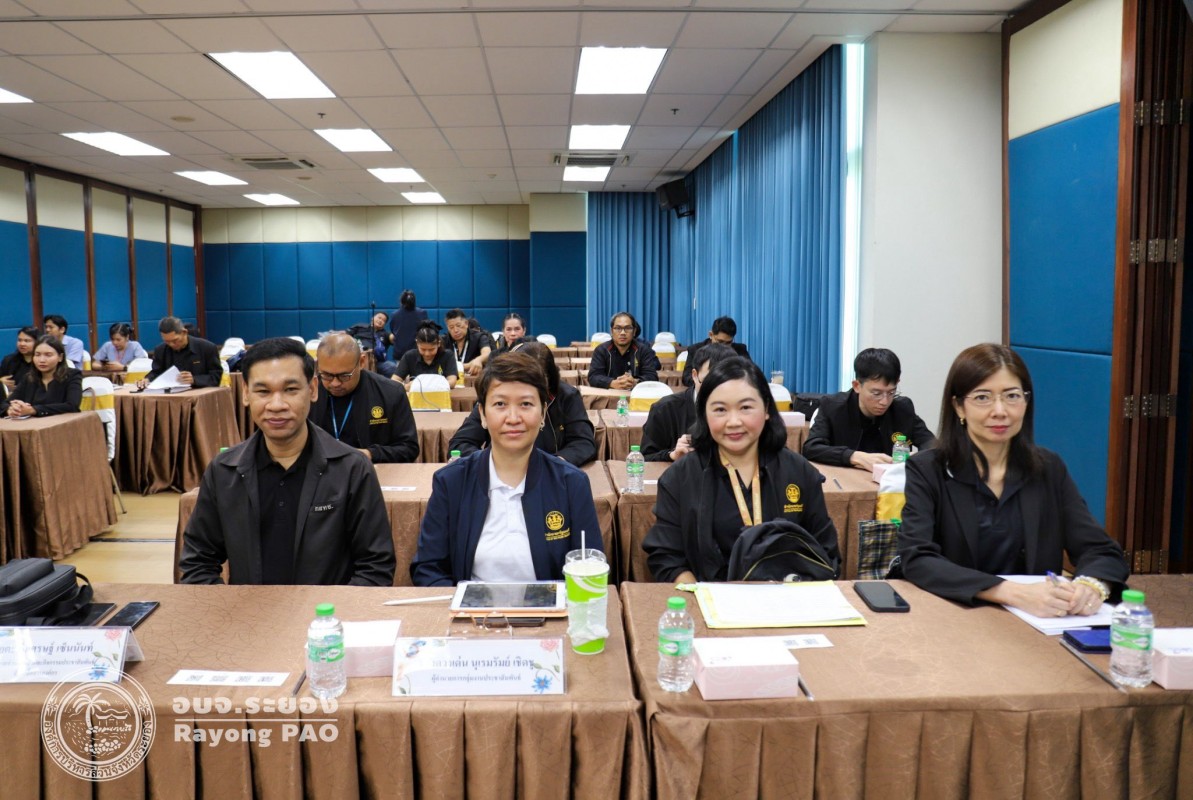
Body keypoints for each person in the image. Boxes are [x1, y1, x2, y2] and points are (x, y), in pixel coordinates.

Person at [898, 344, 1128, 617]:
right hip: (957, 617)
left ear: (1026, 402)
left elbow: (1101, 551)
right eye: (982, 397)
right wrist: (1013, 593)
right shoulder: (928, 469)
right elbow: (917, 558)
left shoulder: (1048, 468)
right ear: (958, 406)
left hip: (1037, 622)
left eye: (1012, 396)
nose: (1000, 410)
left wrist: (1091, 585)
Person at [178, 337, 395, 586]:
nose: (277, 405)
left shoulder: (352, 469)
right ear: (245, 393)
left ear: (312, 390)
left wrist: (328, 611)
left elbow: (376, 568)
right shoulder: (223, 471)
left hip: (327, 611)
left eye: (290, 390)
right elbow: (198, 564)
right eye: (263, 391)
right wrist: (233, 608)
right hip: (246, 610)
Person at [410, 351, 603, 586]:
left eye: (526, 404)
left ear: (543, 413)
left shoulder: (571, 483)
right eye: (500, 404)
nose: (513, 418)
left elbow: (589, 568)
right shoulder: (451, 481)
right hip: (470, 608)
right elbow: (428, 569)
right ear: (482, 414)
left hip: (552, 608)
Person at [643, 357, 839, 583]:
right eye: (720, 410)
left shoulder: (799, 471)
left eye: (745, 407)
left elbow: (826, 552)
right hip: (710, 598)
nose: (734, 421)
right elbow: (667, 557)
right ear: (704, 414)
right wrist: (700, 596)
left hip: (788, 597)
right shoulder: (680, 477)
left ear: (767, 409)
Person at [449, 341, 597, 466]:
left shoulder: (567, 395)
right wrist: (492, 465)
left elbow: (583, 443)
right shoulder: (494, 395)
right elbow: (461, 443)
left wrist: (553, 464)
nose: (513, 418)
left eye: (526, 403)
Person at [802, 347, 936, 470]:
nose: (884, 402)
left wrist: (918, 457)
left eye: (891, 392)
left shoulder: (903, 409)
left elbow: (932, 444)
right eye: (876, 393)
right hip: (846, 481)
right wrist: (854, 456)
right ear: (857, 386)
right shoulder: (833, 406)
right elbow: (811, 448)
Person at [309, 332, 419, 463]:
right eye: (327, 375)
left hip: (373, 471)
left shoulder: (391, 393)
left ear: (362, 362)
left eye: (344, 376)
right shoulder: (307, 394)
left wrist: (370, 454)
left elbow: (409, 448)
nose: (335, 383)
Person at [641, 343, 736, 462]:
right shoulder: (665, 409)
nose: (716, 389)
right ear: (695, 376)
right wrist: (671, 455)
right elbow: (645, 458)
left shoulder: (743, 412)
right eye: (709, 381)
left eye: (725, 382)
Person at [0, 336, 82, 418]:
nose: (42, 360)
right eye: (37, 355)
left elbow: (72, 405)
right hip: (33, 424)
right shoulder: (29, 378)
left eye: (48, 355)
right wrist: (11, 409)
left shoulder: (72, 375)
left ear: (60, 357)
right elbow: (5, 404)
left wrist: (34, 410)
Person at [138, 316, 223, 388]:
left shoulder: (207, 348)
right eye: (167, 341)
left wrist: (195, 379)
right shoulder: (160, 350)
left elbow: (216, 377)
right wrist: (147, 379)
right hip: (170, 395)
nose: (171, 344)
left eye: (175, 340)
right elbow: (156, 372)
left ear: (184, 332)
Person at [588, 311, 660, 390]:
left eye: (628, 328)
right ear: (611, 331)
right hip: (609, 394)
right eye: (618, 328)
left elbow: (652, 376)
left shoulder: (644, 350)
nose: (622, 333)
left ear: (634, 331)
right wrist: (612, 383)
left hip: (635, 394)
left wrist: (635, 382)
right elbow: (593, 376)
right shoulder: (601, 350)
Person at [682, 316, 752, 387]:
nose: (723, 346)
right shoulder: (695, 350)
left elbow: (750, 373)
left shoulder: (740, 350)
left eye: (728, 343)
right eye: (720, 341)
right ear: (711, 335)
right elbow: (686, 378)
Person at [393, 321, 458, 389]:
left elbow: (452, 381)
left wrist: (424, 385)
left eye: (431, 349)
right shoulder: (409, 356)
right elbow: (394, 381)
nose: (427, 354)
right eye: (423, 349)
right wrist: (406, 386)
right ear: (417, 344)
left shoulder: (447, 356)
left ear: (438, 344)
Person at [443, 308, 491, 377]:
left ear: (466, 323)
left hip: (474, 379)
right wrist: (467, 366)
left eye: (458, 325)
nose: (455, 330)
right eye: (451, 327)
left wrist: (478, 360)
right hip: (451, 379)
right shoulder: (443, 340)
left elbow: (487, 353)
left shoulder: (479, 337)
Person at [388, 289, 428, 360]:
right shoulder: (422, 313)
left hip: (400, 353)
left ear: (401, 301)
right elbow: (426, 329)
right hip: (418, 352)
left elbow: (393, 330)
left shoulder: (394, 314)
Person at [0, 326, 39, 391]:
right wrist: (1, 382)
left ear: (37, 342)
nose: (22, 344)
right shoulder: (9, 360)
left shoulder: (41, 362)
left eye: (27, 341)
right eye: (19, 340)